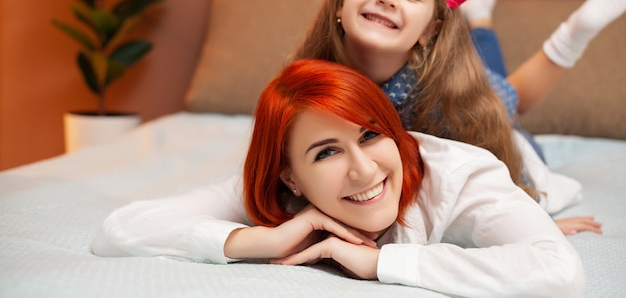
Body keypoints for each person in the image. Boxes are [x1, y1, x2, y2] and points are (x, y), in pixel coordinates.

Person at [92, 59, 585, 298]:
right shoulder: (273, 188)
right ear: (291, 177)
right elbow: (118, 230)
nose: (364, 169)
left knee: (499, 90)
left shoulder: (464, 174)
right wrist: (259, 240)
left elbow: (561, 271)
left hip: (523, 159)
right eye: (326, 151)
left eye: (371, 135)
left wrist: (381, 263)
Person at [292, 0, 621, 234]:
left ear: (429, 31)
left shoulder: (448, 106)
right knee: (488, 78)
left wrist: (531, 218)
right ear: (340, 2)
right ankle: (481, 17)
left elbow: (493, 169)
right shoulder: (311, 77)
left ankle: (571, 35)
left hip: (500, 140)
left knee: (507, 99)